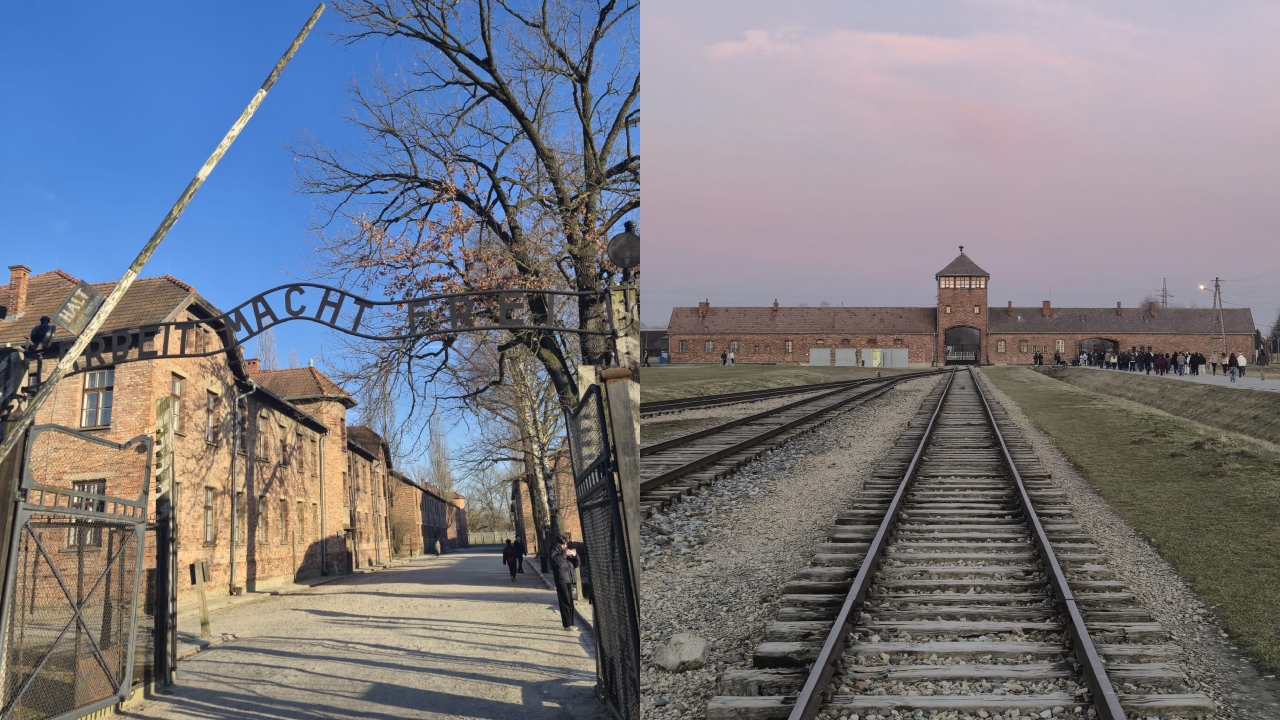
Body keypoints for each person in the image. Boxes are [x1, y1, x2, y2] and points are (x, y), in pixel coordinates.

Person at [549, 536, 581, 630]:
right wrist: (564, 553)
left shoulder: (565, 551)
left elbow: (576, 564)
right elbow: (555, 561)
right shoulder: (553, 551)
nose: (565, 546)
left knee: (570, 602)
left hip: (569, 578)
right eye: (563, 544)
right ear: (558, 543)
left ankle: (571, 623)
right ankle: (567, 624)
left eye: (566, 544)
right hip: (561, 579)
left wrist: (575, 556)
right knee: (565, 602)